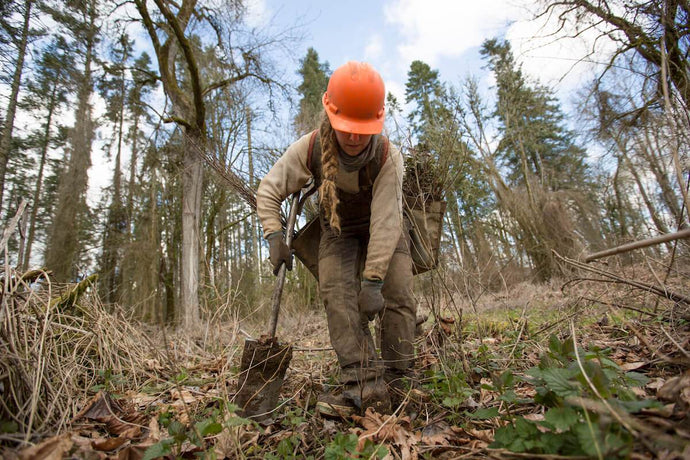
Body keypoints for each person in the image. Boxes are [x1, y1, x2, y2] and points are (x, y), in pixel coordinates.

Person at [256, 61, 416, 415]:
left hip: (381, 227)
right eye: (347, 128)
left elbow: (388, 222)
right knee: (337, 294)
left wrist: (373, 281)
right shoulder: (308, 148)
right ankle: (363, 384)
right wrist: (273, 235)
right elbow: (268, 191)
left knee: (398, 292)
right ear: (330, 113)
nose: (355, 138)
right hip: (336, 229)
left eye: (363, 129)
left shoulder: (388, 156)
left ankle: (400, 378)